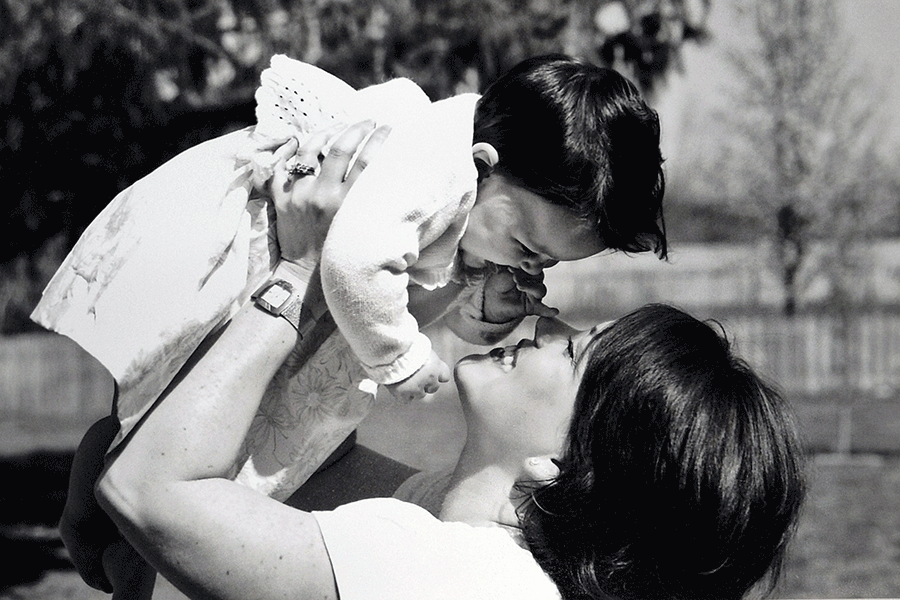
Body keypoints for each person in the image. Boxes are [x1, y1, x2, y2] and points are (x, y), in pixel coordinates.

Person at [68, 123, 804, 600]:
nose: (548, 323)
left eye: (575, 349)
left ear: (565, 460)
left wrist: (297, 268)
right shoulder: (463, 529)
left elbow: (149, 493)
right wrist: (433, 287)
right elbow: (300, 460)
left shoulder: (453, 581)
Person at [32, 55, 666, 501]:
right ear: (484, 166)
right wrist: (400, 358)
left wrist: (468, 296)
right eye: (527, 245)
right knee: (186, 431)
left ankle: (98, 508)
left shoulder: (464, 179)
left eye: (544, 262)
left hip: (280, 289)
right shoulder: (434, 169)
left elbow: (407, 280)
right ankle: (112, 527)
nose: (529, 267)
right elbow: (355, 263)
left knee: (160, 408)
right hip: (250, 261)